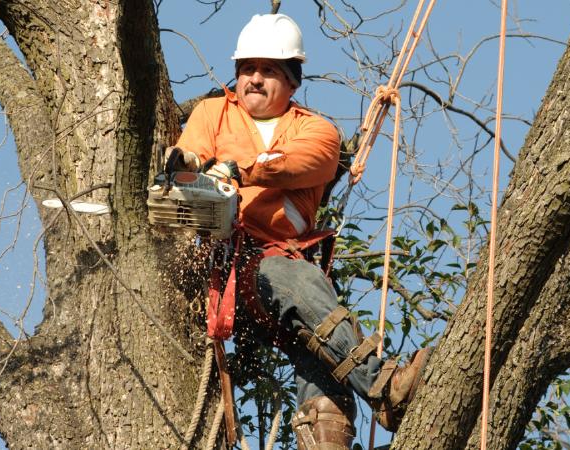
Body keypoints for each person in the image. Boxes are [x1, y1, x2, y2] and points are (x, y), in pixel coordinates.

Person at [167, 13, 431, 449]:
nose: (254, 79)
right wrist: (185, 164)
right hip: (232, 265)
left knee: (319, 359)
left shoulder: (317, 131)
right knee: (298, 284)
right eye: (247, 69)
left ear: (291, 81)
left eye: (269, 70)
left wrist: (240, 168)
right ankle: (384, 388)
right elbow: (190, 156)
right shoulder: (213, 113)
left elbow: (305, 163)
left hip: (284, 267)